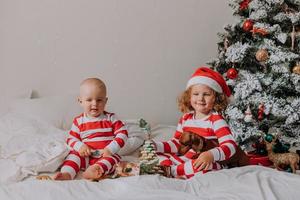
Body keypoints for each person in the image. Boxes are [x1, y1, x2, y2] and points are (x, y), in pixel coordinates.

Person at [153, 66, 238, 179]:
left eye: (206, 94)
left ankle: (172, 171)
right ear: (189, 96)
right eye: (196, 94)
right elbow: (177, 144)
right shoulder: (185, 118)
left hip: (204, 161)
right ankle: (171, 170)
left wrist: (211, 155)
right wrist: (156, 146)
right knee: (158, 155)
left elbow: (230, 146)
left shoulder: (216, 120)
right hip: (184, 158)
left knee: (203, 167)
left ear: (217, 98)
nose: (200, 99)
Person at [54, 78, 128, 180]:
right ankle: (67, 174)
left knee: (114, 160)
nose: (94, 104)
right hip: (86, 156)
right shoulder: (79, 121)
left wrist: (110, 149)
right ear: (80, 101)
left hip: (105, 155)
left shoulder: (111, 118)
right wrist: (80, 147)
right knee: (73, 156)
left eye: (99, 100)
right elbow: (71, 139)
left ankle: (96, 169)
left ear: (105, 101)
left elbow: (123, 134)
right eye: (89, 100)